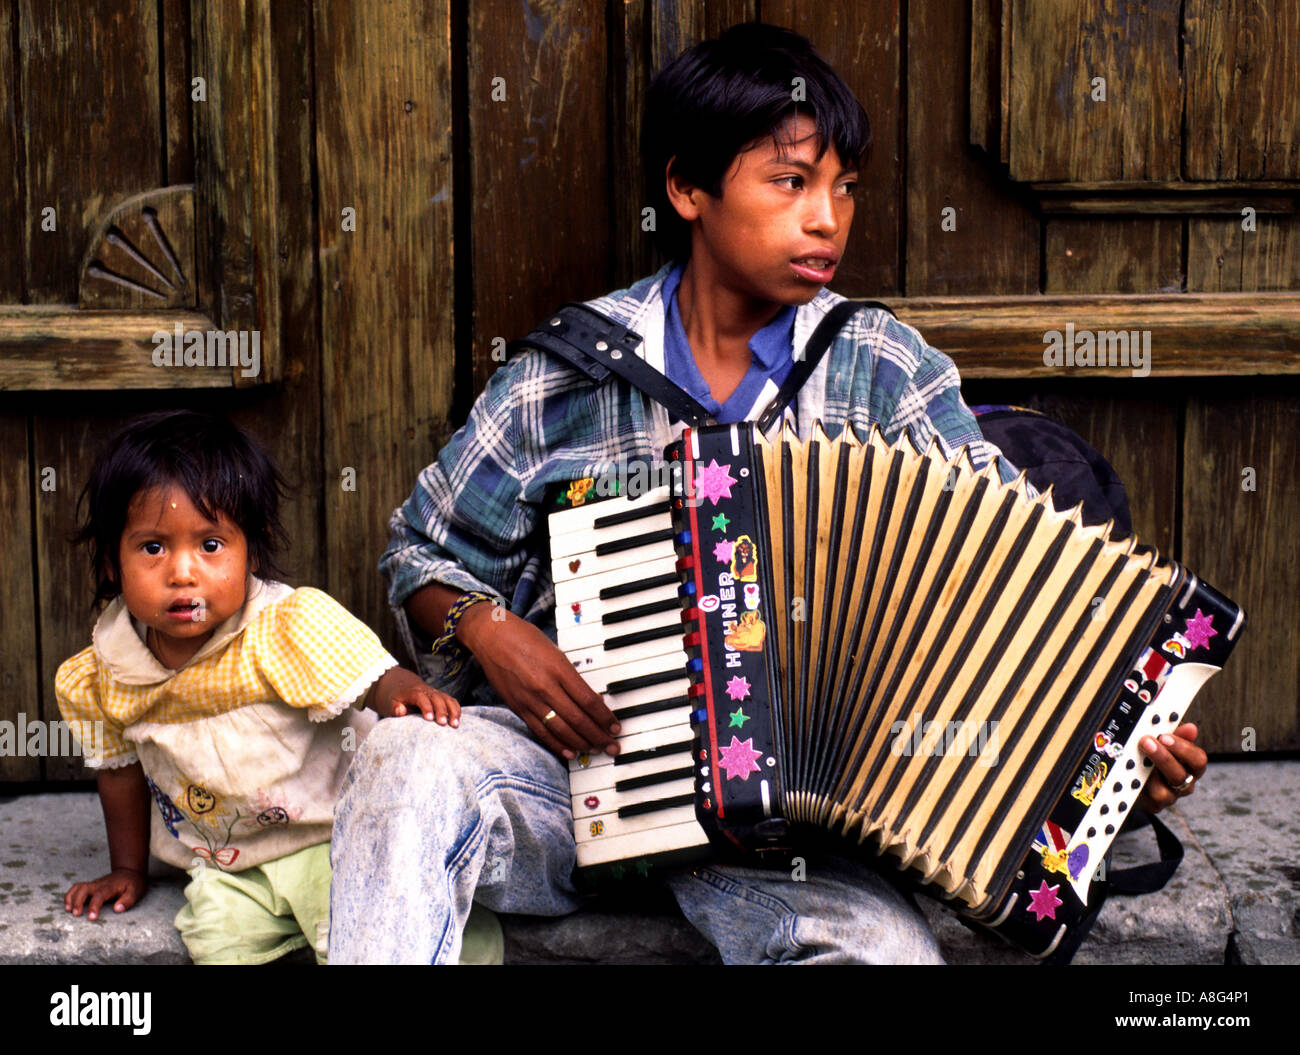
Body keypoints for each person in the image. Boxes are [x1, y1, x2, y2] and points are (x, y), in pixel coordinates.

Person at [329, 22, 1208, 964]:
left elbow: (1015, 607)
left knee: (891, 959)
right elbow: (418, 552)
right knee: (403, 756)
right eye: (792, 183)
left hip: (796, 850)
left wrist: (1115, 772)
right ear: (688, 189)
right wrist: (487, 627)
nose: (828, 218)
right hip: (575, 793)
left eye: (843, 189)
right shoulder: (569, 378)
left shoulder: (886, 371)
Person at [55, 410, 501, 964]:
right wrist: (128, 868)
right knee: (215, 941)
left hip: (336, 840)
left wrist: (400, 691)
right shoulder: (102, 675)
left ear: (252, 552)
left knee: (375, 932)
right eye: (153, 548)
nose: (183, 572)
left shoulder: (283, 628)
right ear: (110, 564)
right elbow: (119, 774)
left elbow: (370, 677)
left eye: (211, 544)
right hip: (226, 863)